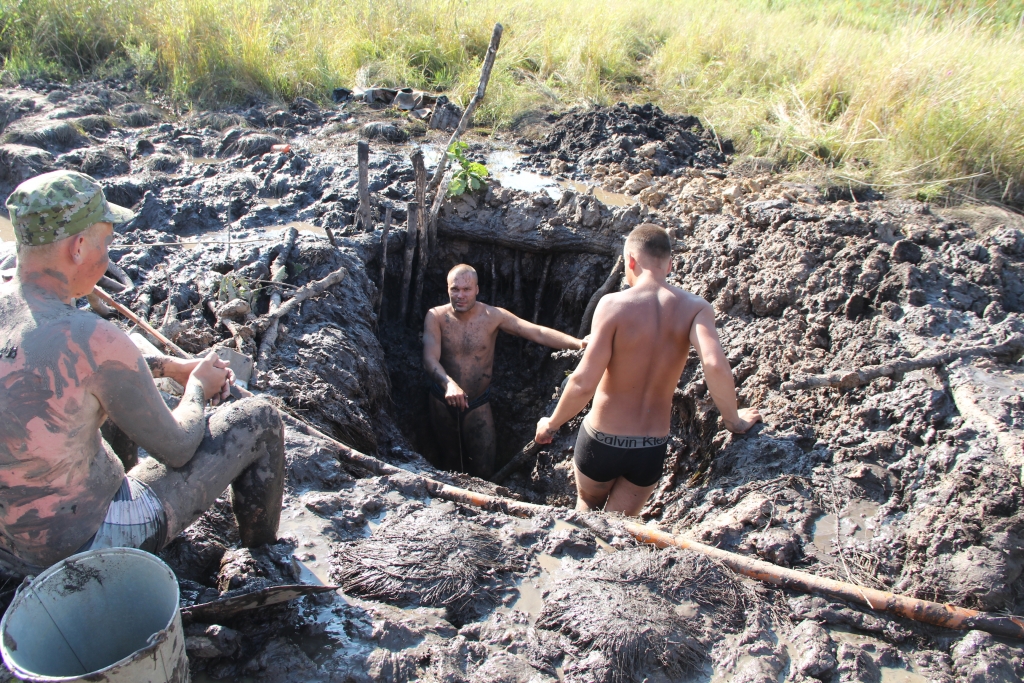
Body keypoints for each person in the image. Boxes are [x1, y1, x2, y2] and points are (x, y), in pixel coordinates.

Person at [0, 170, 285, 573]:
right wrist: (198, 388)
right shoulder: (93, 338)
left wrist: (170, 367)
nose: (109, 256)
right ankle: (264, 561)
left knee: (106, 408)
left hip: (9, 544)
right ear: (79, 246)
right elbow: (179, 447)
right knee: (259, 419)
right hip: (81, 547)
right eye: (107, 242)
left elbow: (76, 375)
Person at [535, 223, 761, 516]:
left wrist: (550, 425)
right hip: (649, 448)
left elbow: (582, 382)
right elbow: (714, 364)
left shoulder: (613, 305)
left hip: (601, 442)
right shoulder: (696, 308)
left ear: (630, 260)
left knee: (586, 510)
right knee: (618, 530)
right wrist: (735, 422)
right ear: (670, 264)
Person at [423, 264, 586, 479]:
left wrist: (579, 344)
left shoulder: (493, 316)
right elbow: (429, 358)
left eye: (466, 289)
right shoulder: (436, 316)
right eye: (455, 289)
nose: (460, 295)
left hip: (478, 403)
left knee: (484, 467)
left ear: (477, 289)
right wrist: (449, 384)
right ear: (447, 289)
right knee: (449, 460)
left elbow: (536, 332)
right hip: (442, 401)